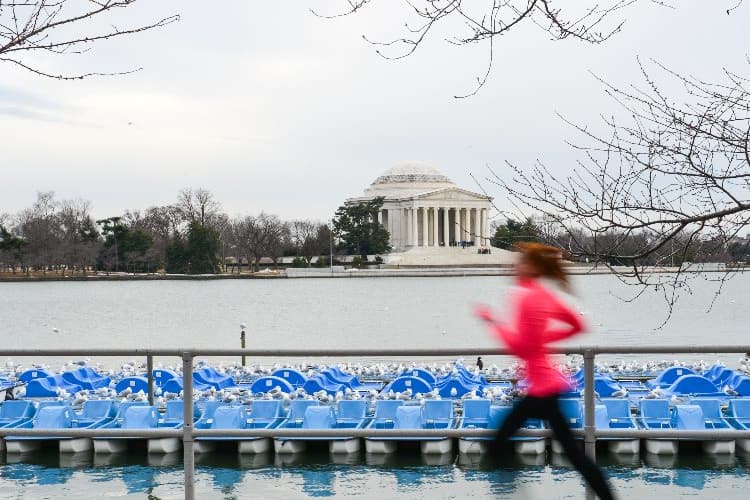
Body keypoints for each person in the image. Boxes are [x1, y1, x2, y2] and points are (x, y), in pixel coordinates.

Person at [475, 242, 615, 500]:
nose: (514, 266)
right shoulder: (544, 294)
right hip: (548, 386)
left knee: (496, 444)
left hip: (542, 389)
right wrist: (545, 339)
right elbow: (577, 325)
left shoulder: (527, 296)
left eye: (521, 262)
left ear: (533, 268)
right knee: (574, 455)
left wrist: (491, 321)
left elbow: (519, 347)